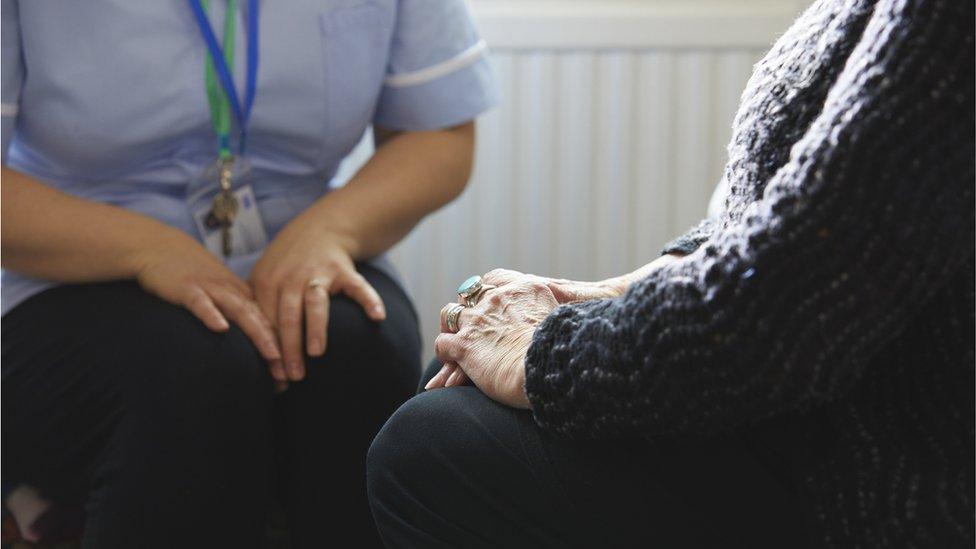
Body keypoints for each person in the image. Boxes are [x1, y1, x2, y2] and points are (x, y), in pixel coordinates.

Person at [366, 0, 975, 547]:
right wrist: (609, 293)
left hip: (891, 477)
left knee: (430, 445)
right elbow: (812, 215)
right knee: (456, 376)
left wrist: (543, 354)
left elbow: (783, 314)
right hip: (829, 403)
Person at [0, 0, 496, 546]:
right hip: (73, 257)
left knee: (361, 349)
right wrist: (146, 249)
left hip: (295, 232)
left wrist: (333, 229)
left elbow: (439, 133)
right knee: (194, 373)